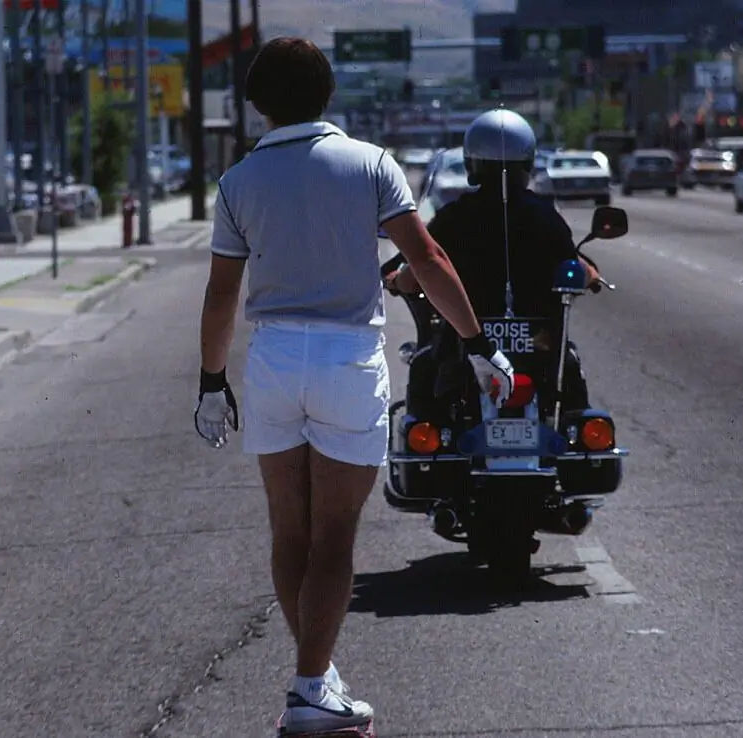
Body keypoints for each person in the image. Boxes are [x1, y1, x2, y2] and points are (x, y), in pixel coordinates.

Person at [192, 37, 515, 735]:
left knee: (290, 530)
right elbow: (425, 257)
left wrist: (210, 381)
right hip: (346, 357)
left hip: (273, 357)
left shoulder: (238, 182)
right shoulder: (369, 163)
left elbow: (220, 298)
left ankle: (316, 675)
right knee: (334, 534)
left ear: (256, 104)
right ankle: (310, 685)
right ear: (327, 93)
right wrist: (476, 342)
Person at [385, 108, 601, 415]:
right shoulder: (545, 217)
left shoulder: (454, 218)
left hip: (468, 341)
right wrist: (592, 275)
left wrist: (395, 280)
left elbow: (419, 270)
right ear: (527, 162)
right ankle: (581, 449)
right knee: (570, 377)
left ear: (472, 163)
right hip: (538, 345)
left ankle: (423, 455)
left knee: (424, 368)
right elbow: (573, 267)